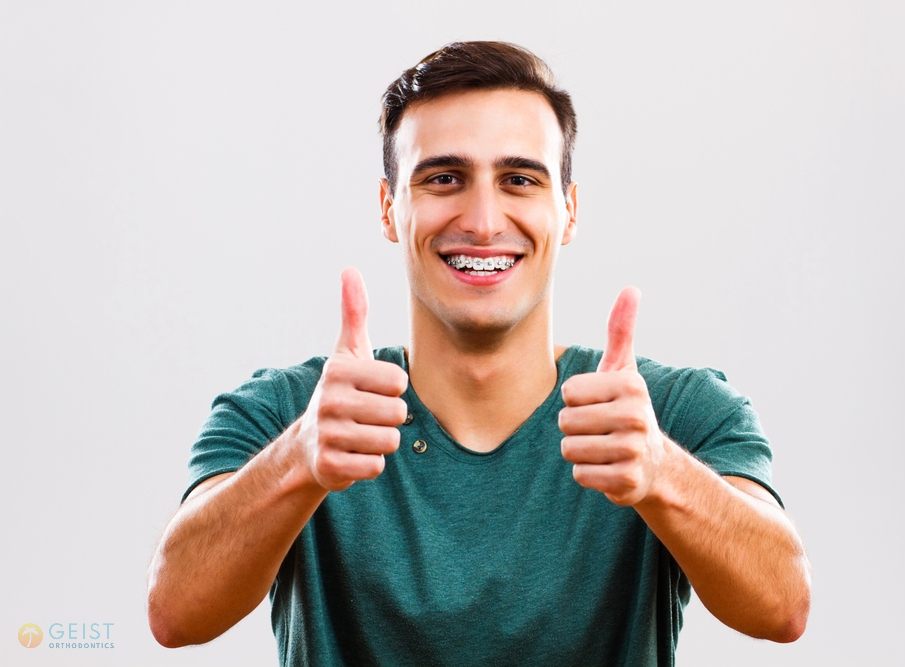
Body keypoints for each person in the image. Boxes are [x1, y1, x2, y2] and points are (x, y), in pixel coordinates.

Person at [147, 41, 811, 665]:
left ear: (569, 211)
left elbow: (784, 604)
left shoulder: (665, 413)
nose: (484, 220)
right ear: (389, 208)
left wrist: (665, 472)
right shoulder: (294, 413)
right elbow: (175, 611)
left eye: (520, 178)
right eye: (443, 177)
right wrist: (298, 461)